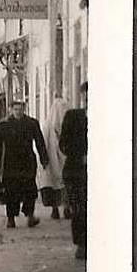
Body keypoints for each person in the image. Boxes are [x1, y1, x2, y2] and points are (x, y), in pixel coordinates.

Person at [0, 97, 49, 228]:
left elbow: (39, 142)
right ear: (10, 109)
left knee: (30, 190)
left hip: (27, 161)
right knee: (10, 191)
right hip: (11, 162)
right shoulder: (4, 125)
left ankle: (30, 216)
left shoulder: (31, 123)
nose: (18, 112)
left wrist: (44, 158)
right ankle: (11, 218)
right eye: (15, 109)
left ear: (24, 109)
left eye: (20, 109)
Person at [59, 82, 87, 260]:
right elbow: (63, 144)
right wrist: (81, 155)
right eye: (86, 96)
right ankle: (82, 244)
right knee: (79, 208)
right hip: (76, 171)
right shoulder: (72, 117)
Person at [39, 84, 70, 219]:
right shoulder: (48, 127)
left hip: (61, 158)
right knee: (57, 182)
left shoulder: (58, 124)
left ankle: (63, 208)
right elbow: (44, 143)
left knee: (62, 182)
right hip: (54, 159)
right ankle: (58, 209)